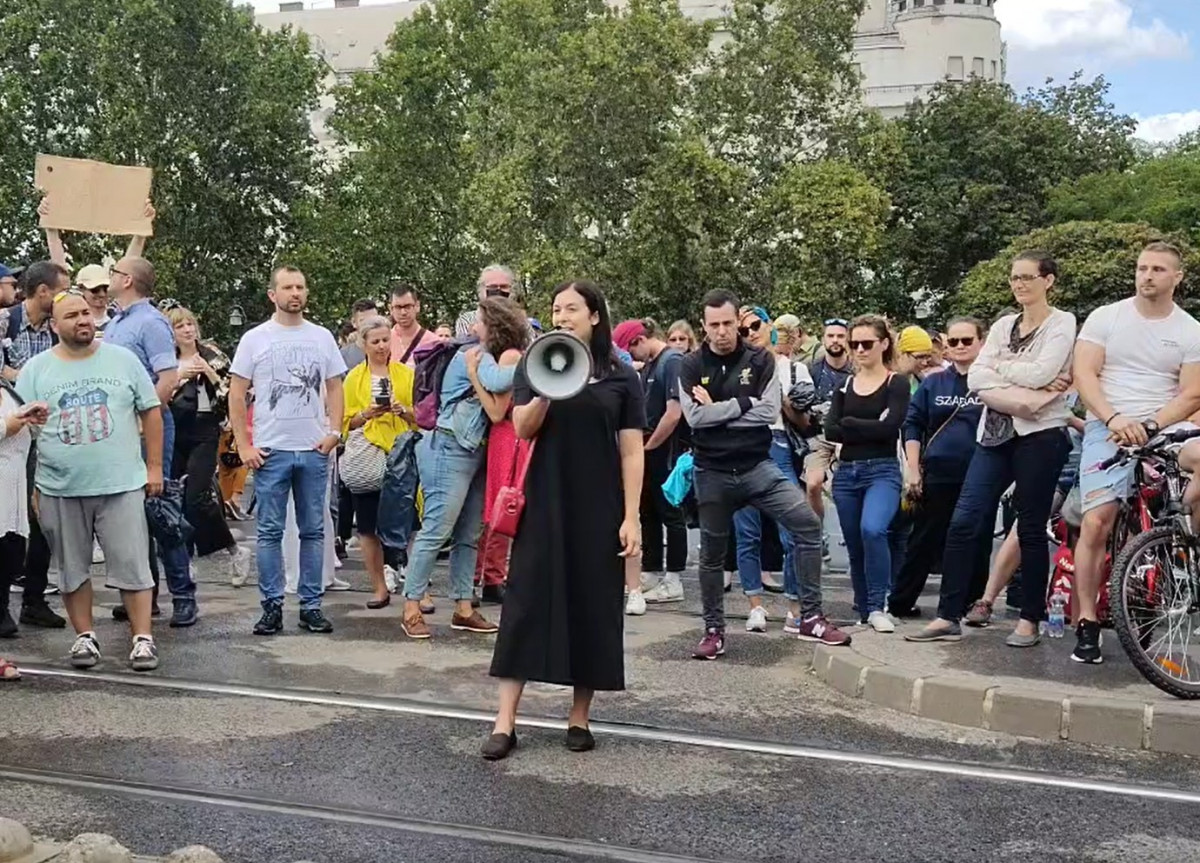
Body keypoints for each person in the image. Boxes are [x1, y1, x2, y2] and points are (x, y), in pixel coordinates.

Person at [483, 280, 645, 760]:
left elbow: (632, 449)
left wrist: (632, 515)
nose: (561, 317)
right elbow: (521, 427)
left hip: (598, 503)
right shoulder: (537, 361)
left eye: (571, 309)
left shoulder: (620, 374)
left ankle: (579, 717)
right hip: (544, 500)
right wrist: (549, 389)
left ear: (595, 315)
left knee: (593, 603)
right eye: (556, 310)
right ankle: (505, 722)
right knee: (526, 602)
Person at [908, 251, 1075, 645]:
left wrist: (1002, 374)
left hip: (1041, 437)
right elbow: (979, 377)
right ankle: (948, 614)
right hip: (996, 433)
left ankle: (1030, 620)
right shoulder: (1002, 325)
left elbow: (1045, 372)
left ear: (1048, 280)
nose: (1019, 284)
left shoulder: (1062, 323)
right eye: (1014, 277)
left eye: (1028, 277)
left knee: (1030, 527)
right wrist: (1020, 393)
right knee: (964, 521)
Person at [680, 290, 848, 661]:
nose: (722, 332)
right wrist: (744, 403)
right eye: (714, 325)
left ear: (737, 324)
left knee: (806, 523)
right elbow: (695, 418)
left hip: (758, 466)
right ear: (704, 326)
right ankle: (713, 631)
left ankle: (810, 616)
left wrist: (724, 408)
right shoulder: (691, 364)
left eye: (728, 324)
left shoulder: (760, 359)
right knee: (711, 553)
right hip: (713, 471)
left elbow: (768, 411)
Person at [17, 290, 163, 671]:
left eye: (85, 313)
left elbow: (151, 412)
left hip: (121, 484)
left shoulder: (122, 360)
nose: (82, 320)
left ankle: (142, 638)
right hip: (59, 487)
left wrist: (154, 468)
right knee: (71, 567)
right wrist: (32, 486)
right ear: (54, 325)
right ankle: (85, 637)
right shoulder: (36, 370)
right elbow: (24, 430)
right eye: (71, 316)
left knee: (133, 565)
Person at [1070, 242, 1200, 664]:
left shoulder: (1189, 330)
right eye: (1142, 268)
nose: (1147, 275)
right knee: (1097, 521)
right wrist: (1111, 419)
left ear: (1177, 277)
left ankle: (1180, 537)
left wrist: (1151, 425)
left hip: (1163, 424)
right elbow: (1084, 374)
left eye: (1158, 269)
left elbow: (1192, 393)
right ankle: (1087, 620)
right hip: (1107, 423)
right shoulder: (1107, 317)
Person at [400, 297, 527, 639]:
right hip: (449, 447)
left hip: (472, 450)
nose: (474, 327)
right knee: (437, 530)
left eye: (480, 321)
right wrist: (544, 362)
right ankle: (411, 606)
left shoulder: (483, 355)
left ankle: (463, 608)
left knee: (469, 535)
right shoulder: (473, 355)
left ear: (495, 325)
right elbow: (500, 381)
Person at [229, 266, 346, 636]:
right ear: (272, 294)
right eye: (287, 287)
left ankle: (310, 605)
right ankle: (272, 606)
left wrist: (334, 432)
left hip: (313, 449)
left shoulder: (322, 337)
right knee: (269, 532)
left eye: (300, 287)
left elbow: (335, 386)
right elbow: (236, 392)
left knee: (313, 530)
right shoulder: (254, 339)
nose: (295, 293)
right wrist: (244, 444)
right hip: (271, 450)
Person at [104, 257, 198, 627]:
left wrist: (146, 416)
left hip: (148, 426)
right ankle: (145, 592)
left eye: (113, 273)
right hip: (119, 429)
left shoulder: (151, 321)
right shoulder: (116, 322)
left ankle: (183, 596)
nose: (109, 277)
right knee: (130, 512)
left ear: (127, 280)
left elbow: (168, 377)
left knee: (161, 511)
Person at [887, 317, 986, 617]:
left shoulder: (992, 380)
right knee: (924, 539)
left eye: (966, 341)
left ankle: (969, 602)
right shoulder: (934, 382)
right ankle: (901, 601)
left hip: (980, 471)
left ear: (981, 342)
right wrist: (913, 469)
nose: (959, 347)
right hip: (938, 471)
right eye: (953, 341)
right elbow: (913, 425)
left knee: (975, 538)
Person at [730, 306, 816, 632]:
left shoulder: (793, 370)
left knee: (792, 530)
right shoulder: (735, 369)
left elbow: (805, 422)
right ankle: (755, 606)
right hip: (743, 446)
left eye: (755, 325)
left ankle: (795, 607)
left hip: (779, 444)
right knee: (746, 531)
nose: (750, 333)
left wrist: (778, 395)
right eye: (743, 330)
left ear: (769, 326)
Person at [825, 315, 910, 632]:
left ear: (884, 344)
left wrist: (852, 425)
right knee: (855, 543)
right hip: (846, 472)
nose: (859, 349)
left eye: (867, 343)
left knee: (873, 529)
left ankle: (878, 604)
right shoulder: (845, 384)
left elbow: (891, 427)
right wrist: (868, 426)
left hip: (883, 470)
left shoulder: (895, 383)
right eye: (854, 343)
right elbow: (831, 428)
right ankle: (864, 607)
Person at [2, 262, 71, 633]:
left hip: (52, 431)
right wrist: (23, 376)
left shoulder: (60, 328)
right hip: (11, 436)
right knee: (9, 518)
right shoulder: (5, 323)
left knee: (41, 517)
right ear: (43, 292)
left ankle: (34, 598)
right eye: (62, 291)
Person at [165, 307, 249, 584]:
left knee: (197, 497)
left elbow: (235, 395)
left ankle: (234, 550)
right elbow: (158, 394)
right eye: (180, 326)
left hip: (205, 429)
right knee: (174, 499)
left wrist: (209, 374)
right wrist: (180, 376)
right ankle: (186, 560)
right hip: (175, 429)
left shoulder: (213, 355)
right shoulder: (166, 359)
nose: (187, 330)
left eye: (190, 324)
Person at [341, 315, 417, 607]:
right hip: (368, 456)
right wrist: (367, 414)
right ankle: (379, 587)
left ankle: (415, 588)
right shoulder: (353, 378)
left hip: (399, 453)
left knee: (411, 523)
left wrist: (403, 410)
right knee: (368, 526)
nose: (382, 346)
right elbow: (347, 421)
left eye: (386, 340)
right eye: (376, 341)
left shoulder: (406, 375)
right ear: (364, 344)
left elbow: (420, 418)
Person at [613, 320, 686, 614]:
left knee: (671, 510)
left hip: (665, 449)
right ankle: (653, 569)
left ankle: (675, 577)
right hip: (649, 450)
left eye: (630, 349)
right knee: (650, 511)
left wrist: (648, 446)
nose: (632, 357)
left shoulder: (673, 361)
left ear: (640, 339)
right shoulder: (651, 366)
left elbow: (674, 412)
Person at [469, 301, 532, 605]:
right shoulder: (506, 355)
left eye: (479, 321)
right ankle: (490, 575)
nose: (474, 328)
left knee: (501, 504)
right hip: (507, 434)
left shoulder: (508, 356)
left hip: (508, 435)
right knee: (500, 505)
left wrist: (473, 376)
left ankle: (488, 575)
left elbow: (497, 410)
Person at [0, 376, 40, 642]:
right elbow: (8, 428)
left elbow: (25, 435)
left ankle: (1, 608)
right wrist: (6, 426)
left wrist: (32, 420)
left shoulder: (6, 389)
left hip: (14, 487)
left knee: (11, 552)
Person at [804, 319, 852, 521]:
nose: (835, 341)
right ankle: (818, 533)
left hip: (850, 436)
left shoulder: (856, 371)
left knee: (846, 493)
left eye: (840, 336)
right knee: (812, 483)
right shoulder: (811, 370)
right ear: (823, 339)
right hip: (820, 436)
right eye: (831, 336)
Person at [455, 264, 520, 339]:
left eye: (504, 287)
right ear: (482, 289)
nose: (498, 290)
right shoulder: (467, 320)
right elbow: (467, 348)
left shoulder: (520, 321)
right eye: (493, 287)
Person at [388, 282, 441, 368]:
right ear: (390, 309)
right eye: (398, 307)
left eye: (407, 306)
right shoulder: (384, 342)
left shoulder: (434, 343)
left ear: (417, 306)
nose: (403, 312)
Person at [895, 326, 941, 392]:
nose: (924, 363)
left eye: (927, 357)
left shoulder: (923, 383)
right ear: (902, 353)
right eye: (920, 357)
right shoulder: (883, 383)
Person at [74, 264, 113, 333]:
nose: (102, 294)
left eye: (105, 289)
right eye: (95, 290)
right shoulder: (74, 321)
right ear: (81, 289)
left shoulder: (119, 317)